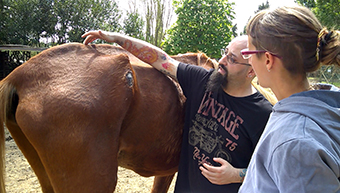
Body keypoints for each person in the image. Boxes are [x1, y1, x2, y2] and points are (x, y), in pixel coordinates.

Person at [82, 32, 273, 192]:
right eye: (225, 53)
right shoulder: (203, 82)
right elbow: (160, 59)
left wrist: (236, 175)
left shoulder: (262, 114)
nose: (221, 61)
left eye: (232, 59)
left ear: (251, 72)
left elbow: (273, 171)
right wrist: (116, 37)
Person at [239, 5, 340, 193]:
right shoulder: (321, 104)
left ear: (268, 60)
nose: (248, 60)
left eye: (249, 53)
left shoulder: (295, 143)